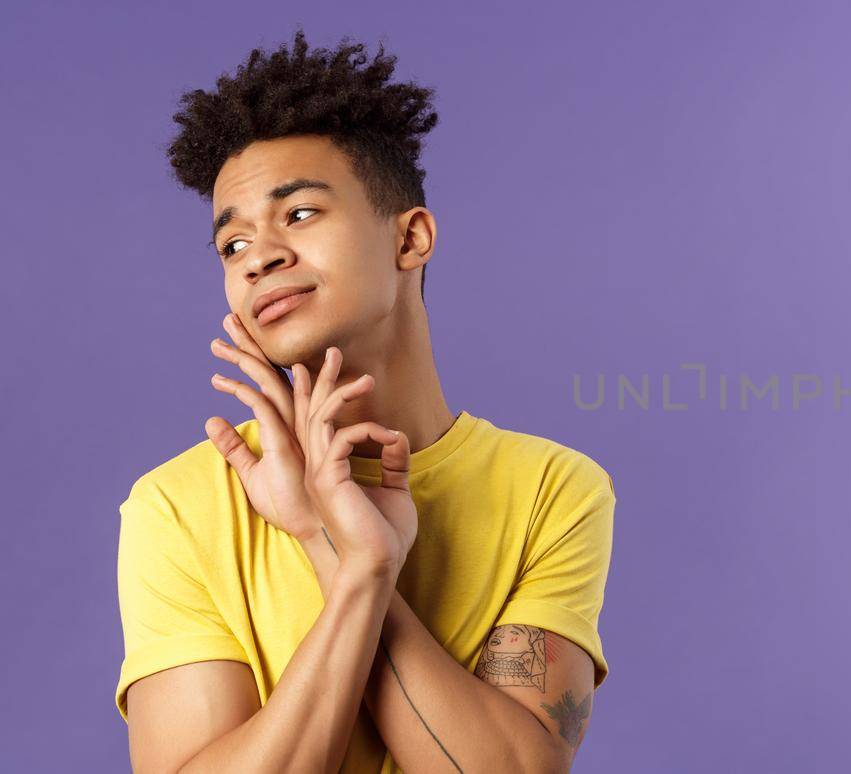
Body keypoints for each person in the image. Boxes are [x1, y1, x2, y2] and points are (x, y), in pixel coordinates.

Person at [114, 27, 615, 773]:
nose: (262, 259)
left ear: (410, 239)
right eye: (233, 245)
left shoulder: (552, 489)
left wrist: (331, 540)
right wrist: (354, 561)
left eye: (301, 213)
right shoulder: (178, 505)